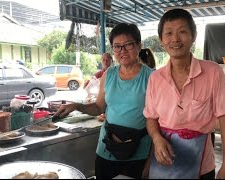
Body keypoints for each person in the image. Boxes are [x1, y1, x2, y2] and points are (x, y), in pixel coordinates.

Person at [143, 8, 225, 179]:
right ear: (161, 40)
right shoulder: (155, 78)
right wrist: (156, 138)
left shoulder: (213, 72)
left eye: (182, 32)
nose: (175, 39)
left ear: (193, 36)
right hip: (165, 161)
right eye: (169, 33)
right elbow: (151, 118)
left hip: (201, 163)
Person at [55, 23, 153, 179]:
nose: (122, 51)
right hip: (107, 148)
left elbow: (157, 120)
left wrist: (151, 160)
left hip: (138, 149)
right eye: (117, 46)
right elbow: (99, 107)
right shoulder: (109, 75)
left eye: (128, 45)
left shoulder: (152, 77)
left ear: (139, 45)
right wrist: (76, 106)